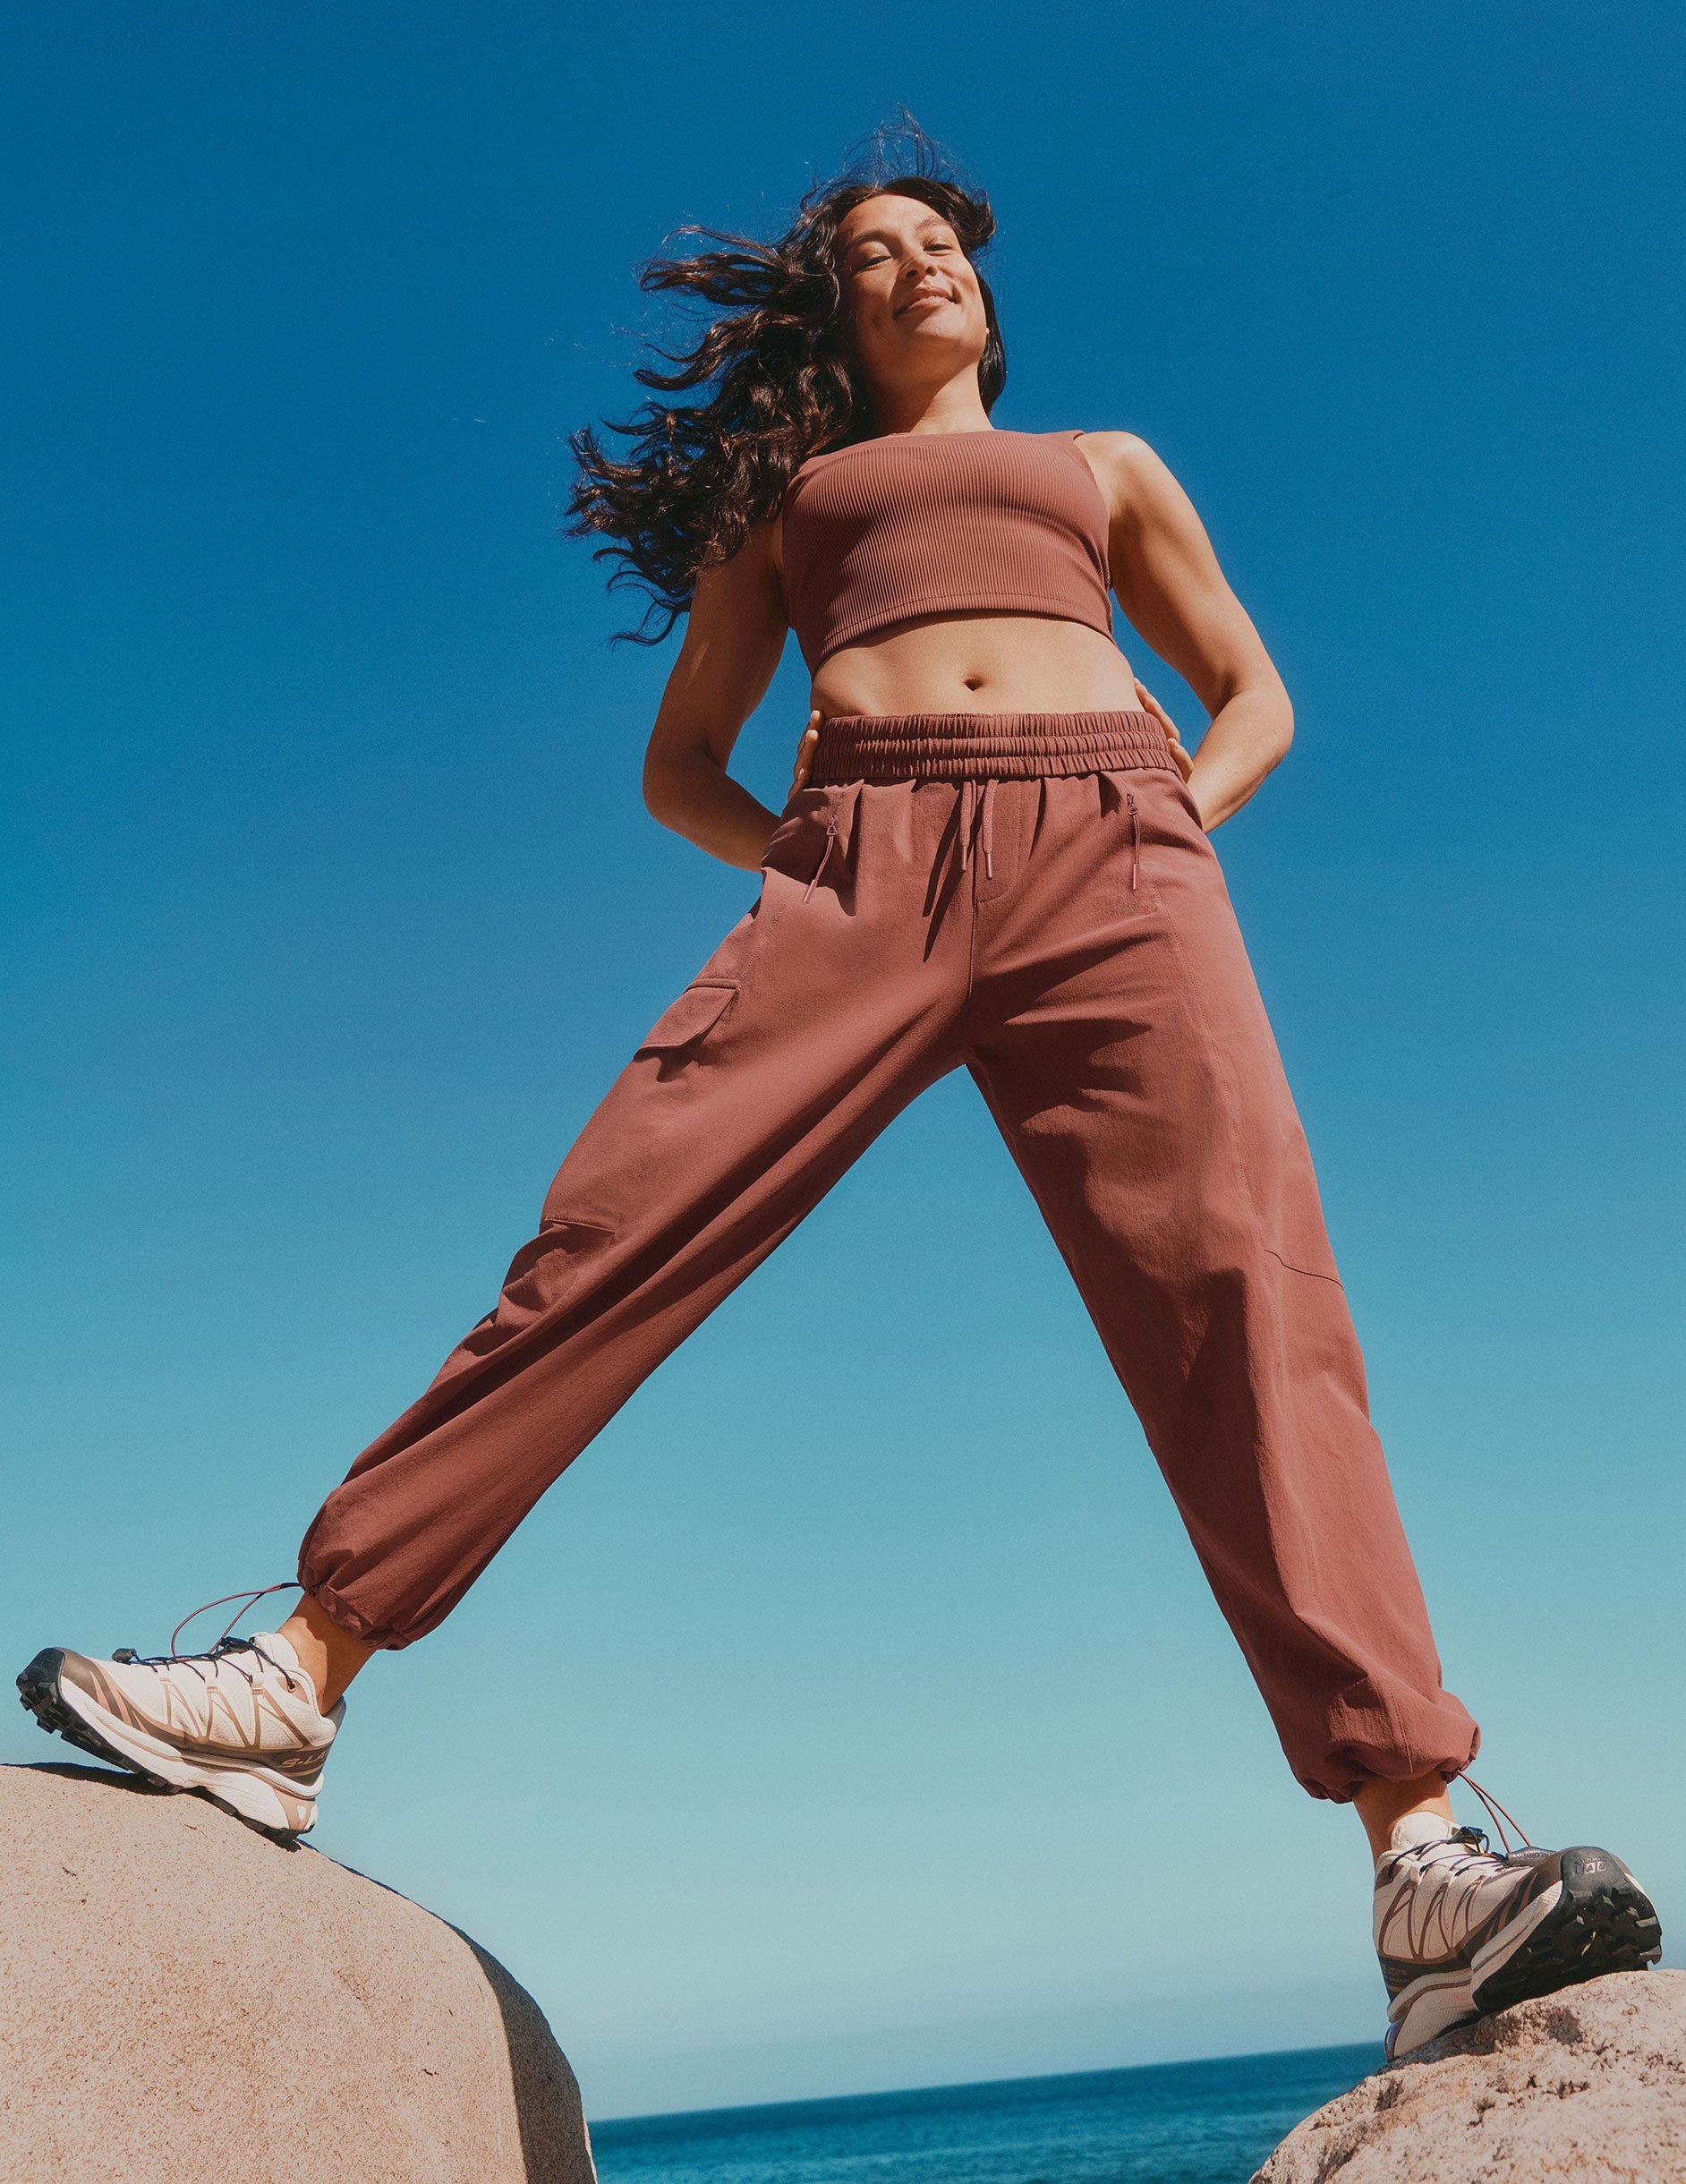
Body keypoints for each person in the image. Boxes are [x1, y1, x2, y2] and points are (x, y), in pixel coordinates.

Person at [18, 141, 1660, 2060]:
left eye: (934, 244)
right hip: (861, 857)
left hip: (1117, 852)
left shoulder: (1105, 464)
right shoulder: (791, 502)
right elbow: (681, 763)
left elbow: (1255, 695)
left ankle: (1424, 1855)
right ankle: (301, 1670)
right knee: (615, 1227)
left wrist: (1159, 843)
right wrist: (821, 863)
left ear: (982, 281)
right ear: (838, 318)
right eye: (870, 260)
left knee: (1248, 1299)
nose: (912, 269)